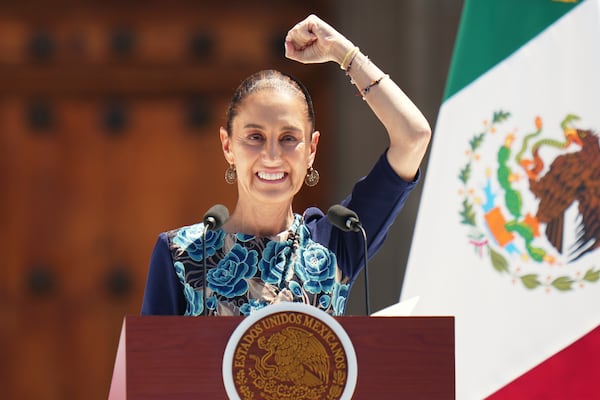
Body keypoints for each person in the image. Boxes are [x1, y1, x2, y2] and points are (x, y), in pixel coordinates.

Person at [141, 14, 431, 317]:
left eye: (289, 138)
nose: (271, 155)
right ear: (228, 146)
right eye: (255, 136)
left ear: (311, 150)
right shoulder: (181, 254)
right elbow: (148, 363)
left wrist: (344, 54)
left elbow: (413, 136)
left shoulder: (337, 243)